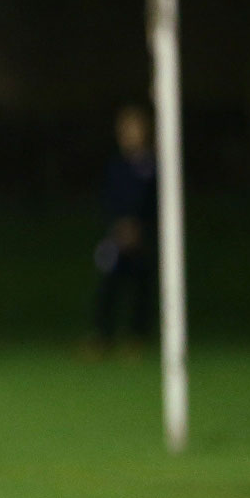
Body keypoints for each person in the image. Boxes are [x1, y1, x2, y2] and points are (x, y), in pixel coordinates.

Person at [90, 106, 158, 354]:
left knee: (142, 287)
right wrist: (118, 226)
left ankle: (137, 338)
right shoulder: (115, 165)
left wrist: (139, 226)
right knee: (108, 287)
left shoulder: (152, 166)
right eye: (124, 129)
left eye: (134, 128)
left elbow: (153, 201)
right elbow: (108, 198)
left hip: (142, 238)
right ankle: (102, 337)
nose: (128, 134)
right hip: (116, 237)